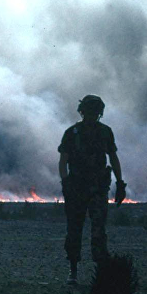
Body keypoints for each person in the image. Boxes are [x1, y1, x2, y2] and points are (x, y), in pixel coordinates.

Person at [58, 95, 127, 284]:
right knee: (74, 229)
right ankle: (73, 270)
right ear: (82, 112)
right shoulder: (72, 133)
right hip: (77, 188)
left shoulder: (105, 132)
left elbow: (113, 157)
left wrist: (120, 182)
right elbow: (63, 161)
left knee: (98, 231)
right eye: (89, 111)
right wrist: (65, 183)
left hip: (98, 188)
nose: (92, 115)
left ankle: (101, 271)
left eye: (95, 112)